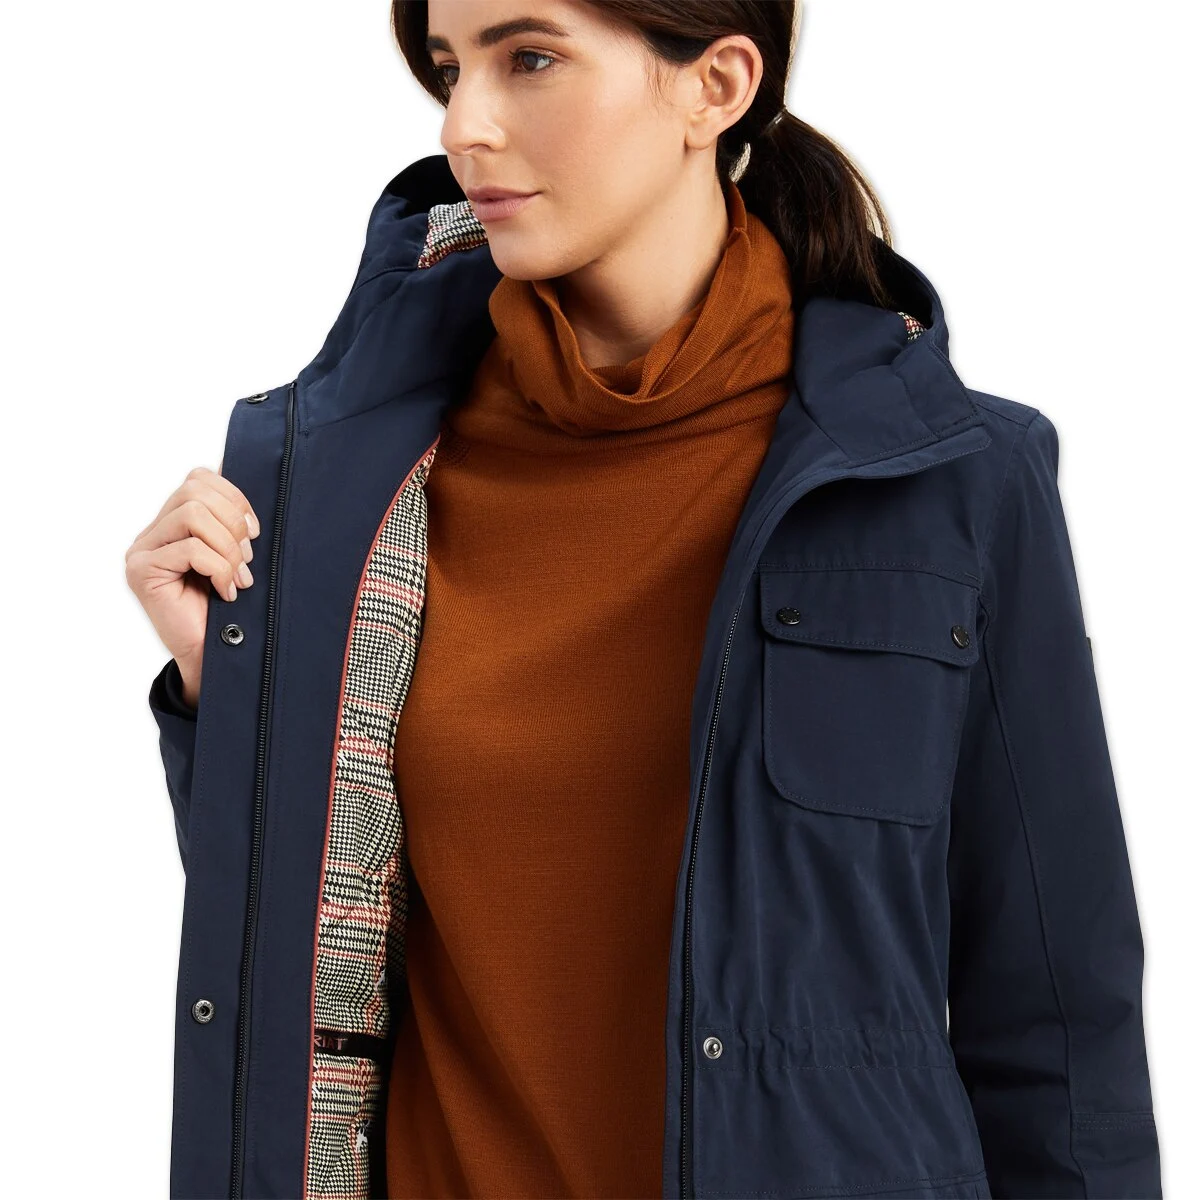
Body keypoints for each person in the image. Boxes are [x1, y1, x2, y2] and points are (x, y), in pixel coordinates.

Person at [124, 3, 1161, 1198]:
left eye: (531, 59)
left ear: (715, 86)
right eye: (451, 69)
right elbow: (309, 967)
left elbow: (1057, 1021)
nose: (464, 126)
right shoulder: (355, 486)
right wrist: (234, 691)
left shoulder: (952, 481)